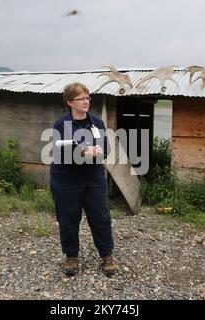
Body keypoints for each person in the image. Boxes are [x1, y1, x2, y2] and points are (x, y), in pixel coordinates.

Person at [50, 82, 118, 276]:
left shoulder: (97, 123)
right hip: (66, 180)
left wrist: (98, 151)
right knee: (68, 219)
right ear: (70, 102)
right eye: (82, 98)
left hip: (93, 179)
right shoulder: (61, 125)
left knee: (101, 217)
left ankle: (107, 255)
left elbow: (106, 148)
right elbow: (59, 152)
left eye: (88, 97)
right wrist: (82, 152)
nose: (87, 101)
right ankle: (71, 257)